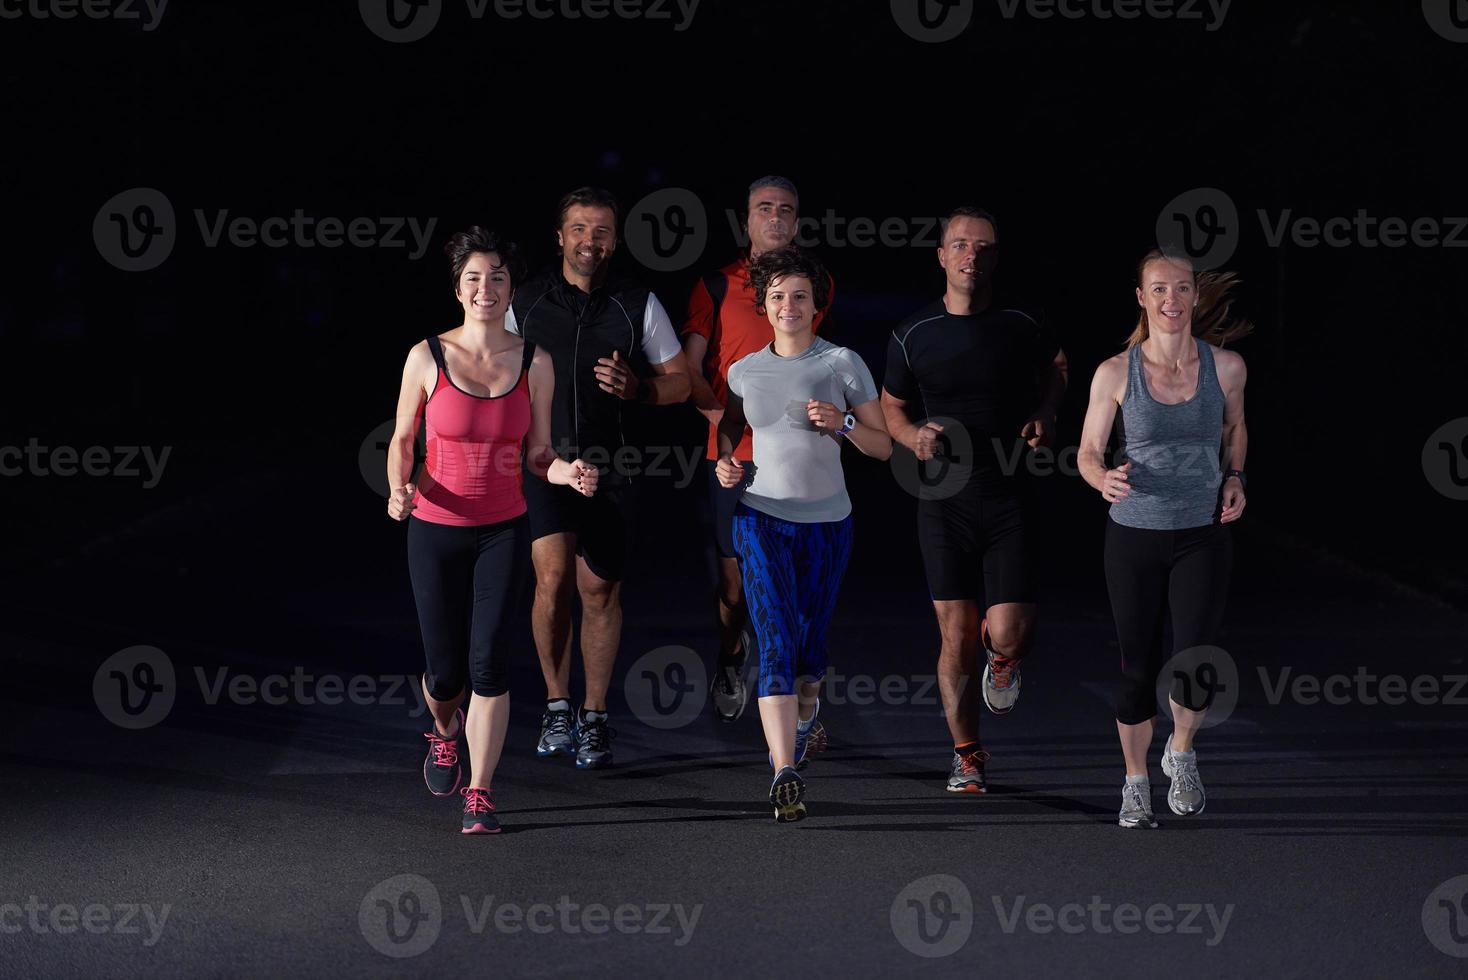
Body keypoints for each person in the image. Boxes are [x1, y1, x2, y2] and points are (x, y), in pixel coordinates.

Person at [385, 227, 598, 834]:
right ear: (458, 288)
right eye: (474, 277)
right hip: (434, 527)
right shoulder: (426, 356)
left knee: (489, 667)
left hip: (504, 529)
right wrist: (398, 489)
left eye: (498, 277)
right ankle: (444, 728)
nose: (486, 287)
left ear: (511, 291)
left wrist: (568, 471)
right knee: (445, 671)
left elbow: (538, 455)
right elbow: (403, 440)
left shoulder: (535, 361)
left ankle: (479, 792)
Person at [880, 206, 1067, 794]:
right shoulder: (912, 333)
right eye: (960, 246)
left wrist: (1046, 411)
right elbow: (891, 404)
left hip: (1010, 494)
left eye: (983, 248)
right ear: (941, 256)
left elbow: (1057, 365)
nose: (971, 256)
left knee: (1010, 633)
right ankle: (966, 753)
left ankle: (1002, 654)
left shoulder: (1022, 321)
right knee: (953, 635)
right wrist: (911, 436)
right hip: (943, 501)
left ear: (995, 259)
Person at [507, 187, 691, 769]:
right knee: (552, 579)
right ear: (560, 237)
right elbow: (492, 371)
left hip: (616, 466)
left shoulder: (638, 304)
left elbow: (681, 382)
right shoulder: (527, 301)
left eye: (603, 231)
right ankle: (556, 706)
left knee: (599, 590)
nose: (591, 241)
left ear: (615, 240)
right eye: (580, 229)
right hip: (545, 463)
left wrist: (639, 388)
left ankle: (593, 716)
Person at [715, 246, 892, 822]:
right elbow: (731, 435)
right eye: (776, 297)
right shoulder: (744, 371)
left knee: (809, 649)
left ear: (816, 305)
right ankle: (783, 770)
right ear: (763, 307)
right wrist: (725, 465)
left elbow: (883, 446)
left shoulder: (842, 362)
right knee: (774, 641)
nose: (787, 306)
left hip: (827, 523)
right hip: (760, 516)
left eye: (799, 296)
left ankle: (810, 710)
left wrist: (840, 423)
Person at [1077, 248, 1250, 829]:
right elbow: (1087, 452)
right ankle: (1134, 782)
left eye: (1180, 289)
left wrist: (1235, 478)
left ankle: (1181, 753)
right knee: (1136, 669)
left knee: (1196, 662)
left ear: (1195, 296)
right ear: (1142, 297)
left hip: (1202, 533)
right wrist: (1102, 477)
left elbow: (1236, 429)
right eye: (1158, 289)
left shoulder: (1226, 368)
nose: (1170, 300)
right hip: (1134, 535)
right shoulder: (1113, 373)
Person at [681, 176, 835, 724]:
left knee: (794, 582)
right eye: (763, 209)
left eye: (786, 210)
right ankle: (731, 652)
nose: (775, 218)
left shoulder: (817, 283)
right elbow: (690, 366)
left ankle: (796, 704)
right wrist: (719, 417)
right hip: (734, 457)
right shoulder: (717, 285)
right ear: (746, 222)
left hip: (796, 459)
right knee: (734, 587)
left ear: (797, 222)